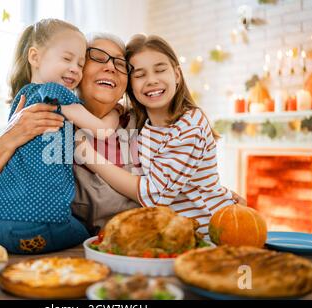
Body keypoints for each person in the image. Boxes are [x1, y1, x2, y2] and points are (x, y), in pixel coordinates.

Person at [0, 19, 124, 254]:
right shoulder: (55, 92)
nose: (75, 69)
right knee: (90, 238)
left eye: (80, 63)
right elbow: (103, 131)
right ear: (35, 56)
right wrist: (116, 110)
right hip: (38, 225)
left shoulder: (21, 102)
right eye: (67, 59)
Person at [78, 34, 237, 236]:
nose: (152, 80)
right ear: (130, 86)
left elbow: (155, 195)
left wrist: (86, 154)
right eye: (140, 75)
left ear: (177, 75)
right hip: (172, 237)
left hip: (209, 234)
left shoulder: (190, 124)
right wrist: (113, 112)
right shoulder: (143, 124)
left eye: (160, 70)